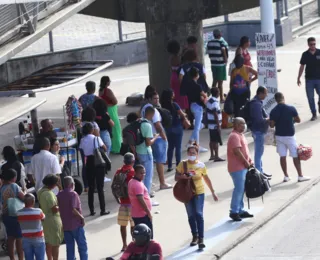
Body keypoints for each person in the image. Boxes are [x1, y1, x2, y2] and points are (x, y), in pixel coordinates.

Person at [175, 143, 218, 249]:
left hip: (199, 193)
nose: (191, 154)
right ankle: (195, 236)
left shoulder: (201, 165)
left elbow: (207, 179)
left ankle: (201, 239)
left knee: (199, 214)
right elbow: (176, 177)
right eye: (190, 153)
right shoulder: (182, 164)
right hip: (187, 193)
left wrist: (213, 192)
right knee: (191, 215)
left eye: (193, 153)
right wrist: (184, 177)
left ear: (197, 154)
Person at [269, 92, 311, 182]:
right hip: (290, 136)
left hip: (279, 136)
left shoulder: (273, 111)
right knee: (295, 156)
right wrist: (291, 121)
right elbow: (298, 120)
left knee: (282, 156)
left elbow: (272, 125)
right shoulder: (291, 108)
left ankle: (286, 176)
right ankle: (300, 176)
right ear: (283, 98)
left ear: (276, 100)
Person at [141, 92, 172, 190]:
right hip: (157, 138)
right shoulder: (154, 111)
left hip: (150, 137)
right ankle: (162, 183)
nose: (157, 100)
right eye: (155, 98)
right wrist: (164, 137)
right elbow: (157, 125)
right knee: (160, 161)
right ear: (150, 99)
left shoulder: (145, 108)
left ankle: (149, 182)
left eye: (158, 98)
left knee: (152, 161)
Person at [227, 118, 254, 222]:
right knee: (239, 189)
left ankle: (240, 210)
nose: (244, 126)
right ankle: (234, 211)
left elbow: (245, 150)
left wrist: (249, 161)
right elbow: (237, 151)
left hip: (243, 167)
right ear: (237, 125)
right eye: (242, 124)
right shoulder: (234, 136)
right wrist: (245, 162)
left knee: (242, 189)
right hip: (237, 167)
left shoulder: (240, 135)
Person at [79, 123, 109, 216]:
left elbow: (81, 150)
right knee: (100, 187)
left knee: (91, 187)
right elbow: (105, 148)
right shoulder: (96, 138)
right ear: (92, 130)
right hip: (98, 162)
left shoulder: (82, 140)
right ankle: (102, 209)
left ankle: (91, 210)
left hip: (89, 163)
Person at [57, 176, 88, 260]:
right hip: (76, 224)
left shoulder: (60, 194)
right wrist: (82, 218)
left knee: (70, 248)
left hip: (66, 225)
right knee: (82, 246)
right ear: (71, 184)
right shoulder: (73, 194)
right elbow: (73, 210)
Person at [160, 89, 188, 172]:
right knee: (178, 147)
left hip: (168, 128)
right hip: (177, 127)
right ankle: (178, 165)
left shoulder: (163, 106)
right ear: (171, 96)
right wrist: (185, 114)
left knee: (170, 147)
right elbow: (182, 114)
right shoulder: (175, 105)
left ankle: (169, 166)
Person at [136, 106, 159, 204]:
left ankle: (142, 195)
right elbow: (148, 143)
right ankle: (147, 198)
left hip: (138, 151)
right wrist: (156, 137)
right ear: (152, 114)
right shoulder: (147, 125)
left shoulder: (138, 122)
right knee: (148, 176)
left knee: (141, 176)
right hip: (146, 152)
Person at [0, 169, 25, 260]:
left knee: (10, 238)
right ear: (13, 178)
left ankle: (12, 258)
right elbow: (23, 198)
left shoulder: (1, 188)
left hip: (6, 215)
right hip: (16, 215)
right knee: (19, 238)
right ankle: (21, 258)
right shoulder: (14, 186)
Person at [37, 174, 63, 260]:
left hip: (45, 220)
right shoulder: (49, 194)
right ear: (53, 184)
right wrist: (61, 206)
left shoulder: (40, 191)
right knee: (55, 243)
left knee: (48, 242)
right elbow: (54, 209)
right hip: (53, 220)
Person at [114, 153, 135, 252]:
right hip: (132, 203)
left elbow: (114, 185)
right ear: (133, 161)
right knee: (133, 225)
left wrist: (117, 198)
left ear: (124, 161)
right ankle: (134, 243)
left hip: (123, 202)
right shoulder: (132, 172)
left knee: (123, 225)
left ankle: (124, 245)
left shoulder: (119, 171)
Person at [249, 86, 270, 179]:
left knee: (259, 152)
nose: (266, 95)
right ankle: (259, 174)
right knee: (258, 153)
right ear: (260, 93)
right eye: (265, 93)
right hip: (258, 131)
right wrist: (268, 119)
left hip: (258, 130)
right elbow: (259, 120)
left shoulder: (256, 102)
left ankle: (260, 170)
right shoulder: (256, 104)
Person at [184, 67, 207, 149]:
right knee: (197, 127)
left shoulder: (188, 85)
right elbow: (204, 95)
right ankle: (197, 145)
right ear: (197, 75)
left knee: (199, 125)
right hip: (198, 106)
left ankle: (190, 142)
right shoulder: (197, 86)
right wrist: (205, 97)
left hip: (192, 105)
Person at [297, 37, 320, 121]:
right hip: (309, 80)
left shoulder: (319, 52)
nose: (313, 46)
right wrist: (298, 77)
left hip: (319, 79)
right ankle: (314, 113)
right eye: (311, 44)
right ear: (308, 45)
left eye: (314, 44)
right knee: (310, 97)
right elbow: (302, 66)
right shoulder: (305, 54)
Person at [17, 193, 46, 260]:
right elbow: (43, 218)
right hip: (38, 239)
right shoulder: (38, 211)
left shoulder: (19, 213)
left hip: (25, 239)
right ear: (33, 202)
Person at [128, 165, 153, 237]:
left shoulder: (132, 181)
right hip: (142, 215)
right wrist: (148, 213)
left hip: (136, 214)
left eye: (144, 173)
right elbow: (141, 200)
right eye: (141, 173)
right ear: (135, 173)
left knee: (140, 236)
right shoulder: (137, 184)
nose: (143, 175)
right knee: (147, 236)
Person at [99, 76, 122, 154]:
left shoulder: (100, 90)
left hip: (105, 109)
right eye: (109, 81)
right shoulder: (108, 91)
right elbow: (115, 101)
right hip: (111, 110)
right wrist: (109, 104)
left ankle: (111, 146)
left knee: (109, 129)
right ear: (107, 82)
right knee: (115, 128)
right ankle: (117, 147)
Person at [207, 29, 228, 101]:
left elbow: (209, 55)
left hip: (213, 64)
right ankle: (221, 98)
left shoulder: (209, 43)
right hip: (220, 65)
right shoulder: (221, 42)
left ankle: (212, 96)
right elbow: (224, 52)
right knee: (220, 83)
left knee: (214, 81)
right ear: (220, 35)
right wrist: (226, 61)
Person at [167, 40, 189, 110]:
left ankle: (178, 108)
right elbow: (182, 64)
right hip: (179, 76)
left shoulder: (171, 58)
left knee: (175, 94)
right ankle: (182, 109)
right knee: (181, 94)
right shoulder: (178, 58)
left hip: (173, 77)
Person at [206, 87, 224, 162]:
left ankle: (212, 155)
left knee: (212, 139)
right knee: (216, 140)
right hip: (215, 124)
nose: (219, 93)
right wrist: (218, 125)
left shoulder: (209, 101)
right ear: (217, 93)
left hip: (211, 124)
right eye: (219, 92)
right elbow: (215, 114)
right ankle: (216, 156)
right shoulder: (215, 102)